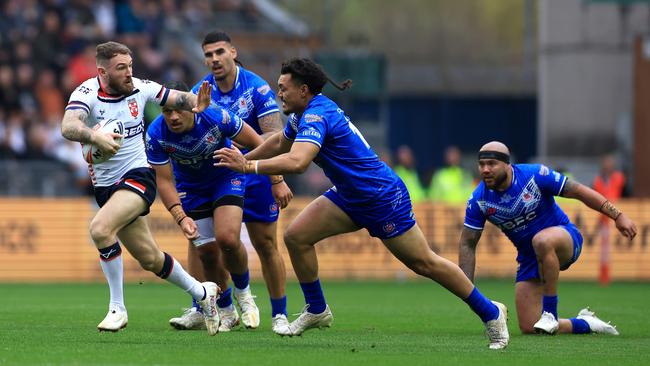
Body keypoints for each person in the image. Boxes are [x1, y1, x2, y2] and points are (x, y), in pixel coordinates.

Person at [215, 58, 510, 349]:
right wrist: (245, 158)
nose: (279, 93)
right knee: (296, 236)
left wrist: (248, 168)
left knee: (425, 263)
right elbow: (281, 142)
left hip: (380, 197)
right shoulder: (302, 115)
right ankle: (317, 309)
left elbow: (298, 160)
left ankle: (491, 312)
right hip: (350, 195)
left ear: (303, 90)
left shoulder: (317, 115)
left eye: (283, 88)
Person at [60, 41, 219, 335]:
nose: (128, 73)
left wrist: (197, 102)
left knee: (99, 229)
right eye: (121, 68)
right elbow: (68, 127)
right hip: (106, 188)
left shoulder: (142, 88)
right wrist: (95, 138)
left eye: (130, 66)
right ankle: (203, 294)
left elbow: (178, 98)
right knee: (150, 259)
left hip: (138, 177)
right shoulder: (86, 93)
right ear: (102, 71)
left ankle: (117, 308)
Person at [168, 31, 293, 332]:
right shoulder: (200, 92)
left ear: (233, 52)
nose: (214, 59)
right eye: (208, 55)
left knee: (265, 243)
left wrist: (276, 178)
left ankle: (280, 314)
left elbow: (274, 138)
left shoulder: (258, 89)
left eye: (219, 52)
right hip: (218, 176)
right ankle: (202, 306)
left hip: (255, 173)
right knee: (201, 244)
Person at [458, 141, 637, 335]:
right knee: (530, 327)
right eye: (481, 164)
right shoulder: (479, 200)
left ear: (507, 164)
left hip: (565, 238)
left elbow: (578, 191)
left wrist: (618, 216)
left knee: (542, 240)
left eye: (491, 164)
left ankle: (550, 312)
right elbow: (467, 243)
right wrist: (469, 293)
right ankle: (586, 323)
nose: (485, 169)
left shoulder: (534, 175)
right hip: (530, 258)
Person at [592, 154, 627, 285]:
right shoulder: (597, 180)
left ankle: (613, 275)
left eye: (610, 163)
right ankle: (604, 277)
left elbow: (626, 195)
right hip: (603, 218)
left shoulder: (619, 178)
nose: (607, 166)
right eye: (605, 163)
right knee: (604, 251)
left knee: (610, 250)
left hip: (619, 216)